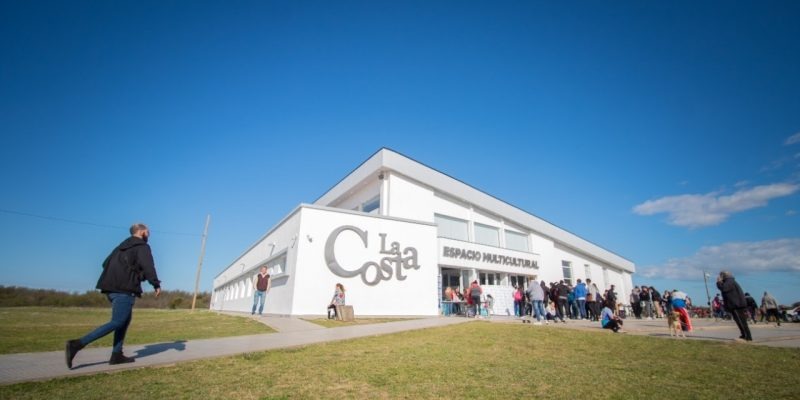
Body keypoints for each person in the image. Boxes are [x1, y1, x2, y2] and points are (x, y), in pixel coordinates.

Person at [65, 223, 161, 369]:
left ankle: (117, 354)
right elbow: (148, 266)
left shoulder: (121, 247)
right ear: (141, 232)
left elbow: (105, 263)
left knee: (124, 321)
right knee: (118, 321)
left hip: (110, 288)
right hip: (124, 289)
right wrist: (155, 283)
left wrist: (129, 273)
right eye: (148, 232)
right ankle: (77, 344)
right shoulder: (142, 246)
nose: (149, 235)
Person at [716, 271, 752, 342]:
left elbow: (724, 288)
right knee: (739, 320)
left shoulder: (729, 281)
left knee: (741, 321)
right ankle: (744, 334)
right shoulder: (730, 281)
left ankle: (747, 336)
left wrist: (718, 282)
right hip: (735, 304)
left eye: (720, 276)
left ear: (723, 276)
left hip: (736, 304)